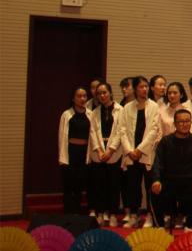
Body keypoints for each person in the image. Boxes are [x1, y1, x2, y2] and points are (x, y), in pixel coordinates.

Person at [150, 109, 192, 230]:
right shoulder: (165, 141)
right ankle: (160, 226)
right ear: (175, 123)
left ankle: (189, 226)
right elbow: (157, 163)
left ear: (191, 122)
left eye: (187, 121)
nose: (184, 124)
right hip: (169, 181)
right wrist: (156, 180)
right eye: (181, 122)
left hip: (190, 182)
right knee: (154, 189)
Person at [120, 76, 161, 227]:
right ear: (135, 89)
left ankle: (150, 215)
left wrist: (139, 149)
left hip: (147, 152)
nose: (144, 89)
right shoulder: (127, 107)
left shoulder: (154, 106)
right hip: (131, 153)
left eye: (146, 86)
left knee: (149, 186)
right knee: (132, 186)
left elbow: (154, 130)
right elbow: (123, 130)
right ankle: (134, 215)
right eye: (141, 87)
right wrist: (130, 150)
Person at [88, 82, 123, 226]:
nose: (102, 96)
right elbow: (93, 132)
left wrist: (110, 150)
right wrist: (100, 150)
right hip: (98, 153)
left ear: (110, 93)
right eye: (99, 93)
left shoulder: (120, 110)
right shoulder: (94, 112)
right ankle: (100, 213)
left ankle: (113, 214)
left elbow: (120, 131)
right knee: (99, 186)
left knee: (113, 185)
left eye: (104, 92)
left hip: (114, 152)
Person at [59, 86, 91, 215]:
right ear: (73, 98)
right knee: (69, 185)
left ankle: (77, 212)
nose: (82, 98)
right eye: (79, 96)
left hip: (84, 153)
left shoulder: (90, 114)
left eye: (84, 96)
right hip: (71, 152)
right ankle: (68, 213)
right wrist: (62, 158)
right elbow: (62, 136)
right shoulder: (67, 115)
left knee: (79, 185)